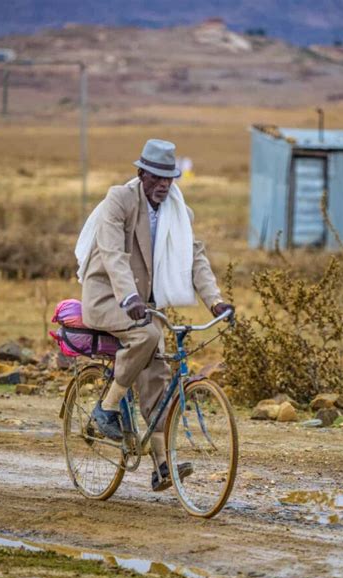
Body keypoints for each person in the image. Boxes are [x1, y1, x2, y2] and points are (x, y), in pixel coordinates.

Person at [76, 139, 233, 491]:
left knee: (158, 372)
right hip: (107, 297)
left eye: (170, 177)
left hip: (142, 306)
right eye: (157, 176)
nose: (164, 183)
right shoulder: (119, 200)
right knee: (146, 337)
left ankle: (162, 467)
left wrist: (216, 302)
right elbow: (113, 254)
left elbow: (196, 260)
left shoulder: (179, 213)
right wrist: (128, 296)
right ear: (141, 173)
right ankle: (107, 407)